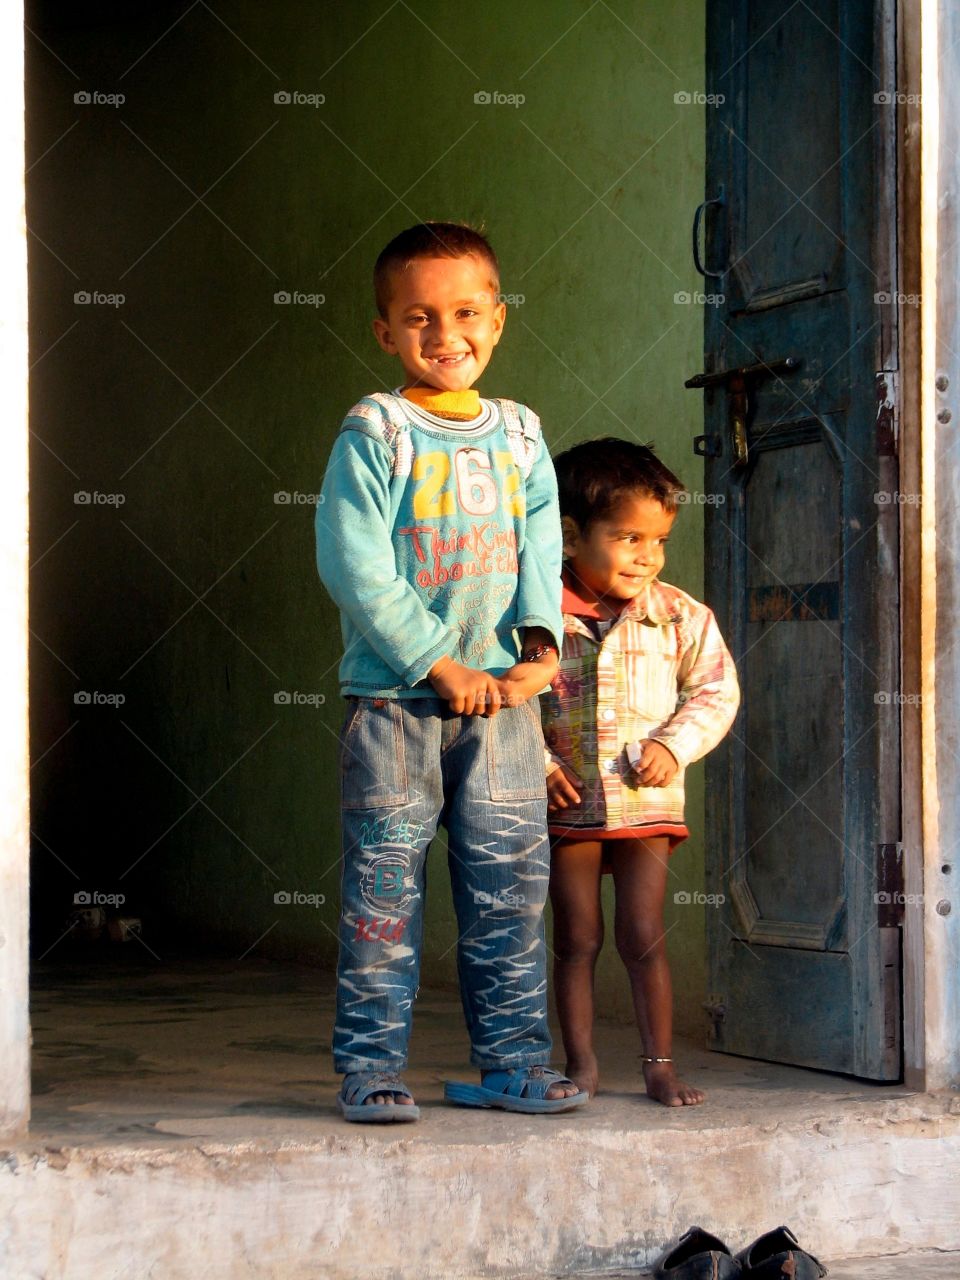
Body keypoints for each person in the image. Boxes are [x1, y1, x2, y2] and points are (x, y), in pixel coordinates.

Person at [316, 221, 587, 1122]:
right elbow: (353, 562)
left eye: (467, 312)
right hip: (397, 705)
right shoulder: (376, 427)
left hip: (504, 708)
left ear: (499, 321)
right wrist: (435, 662)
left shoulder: (519, 435)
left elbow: (542, 544)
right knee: (387, 894)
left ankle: (512, 1063)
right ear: (385, 332)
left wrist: (539, 646)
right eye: (419, 317)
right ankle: (369, 1068)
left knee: (508, 896)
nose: (446, 334)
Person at [542, 438, 740, 1106]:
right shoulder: (535, 616)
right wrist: (539, 764)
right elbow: (507, 697)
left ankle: (658, 1065)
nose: (647, 556)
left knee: (642, 935)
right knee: (575, 938)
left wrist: (675, 745)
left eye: (658, 540)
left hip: (644, 802)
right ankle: (582, 1064)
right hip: (567, 806)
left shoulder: (679, 616)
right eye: (628, 537)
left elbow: (716, 691)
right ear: (571, 535)